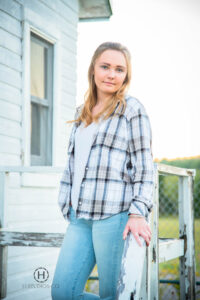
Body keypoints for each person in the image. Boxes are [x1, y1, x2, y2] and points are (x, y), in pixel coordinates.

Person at [51, 42, 155, 300]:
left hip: (114, 217)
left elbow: (144, 166)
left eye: (119, 69)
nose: (111, 74)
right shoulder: (82, 113)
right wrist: (66, 201)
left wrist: (138, 212)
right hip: (79, 217)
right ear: (93, 70)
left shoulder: (132, 109)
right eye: (105, 66)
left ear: (126, 76)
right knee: (63, 293)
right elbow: (73, 165)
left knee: (114, 294)